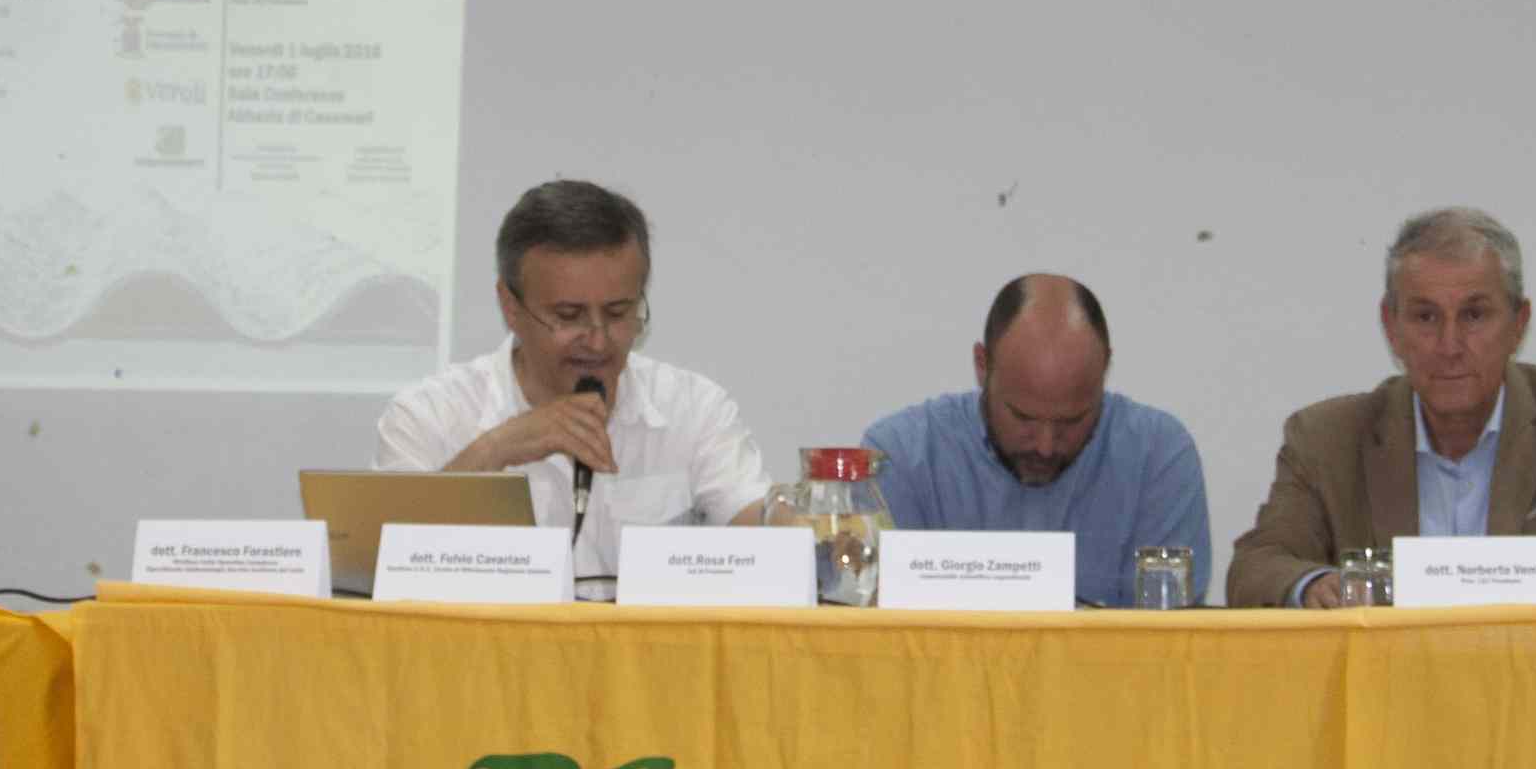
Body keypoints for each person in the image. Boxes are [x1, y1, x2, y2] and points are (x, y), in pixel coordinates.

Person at [1226, 207, 1536, 606]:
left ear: (1518, 325)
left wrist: (1510, 580)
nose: (1450, 347)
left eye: (1474, 316)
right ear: (1392, 327)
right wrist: (1314, 585)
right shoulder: (1326, 438)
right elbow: (1258, 565)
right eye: (1426, 318)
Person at [375, 179, 771, 593]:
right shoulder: (428, 416)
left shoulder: (694, 409)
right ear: (510, 306)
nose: (598, 341)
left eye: (618, 313)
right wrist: (494, 450)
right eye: (568, 316)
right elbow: (381, 568)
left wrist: (802, 517)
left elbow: (760, 528)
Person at [863, 274, 1213, 607]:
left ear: (1105, 367)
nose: (1046, 446)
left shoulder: (1157, 458)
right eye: (1023, 417)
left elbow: (1168, 639)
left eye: (1072, 421)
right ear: (982, 365)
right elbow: (882, 632)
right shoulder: (898, 458)